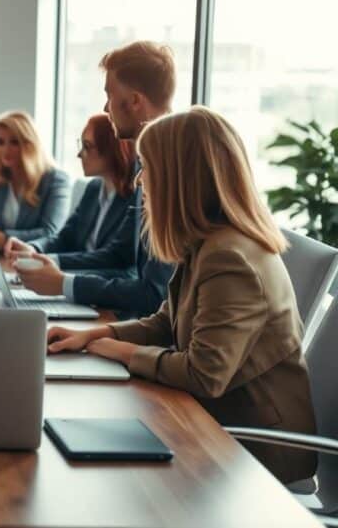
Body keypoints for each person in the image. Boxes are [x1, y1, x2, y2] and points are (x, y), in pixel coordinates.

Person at [46, 106, 317, 484]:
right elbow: (165, 321)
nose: (140, 180)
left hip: (254, 448)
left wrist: (112, 350)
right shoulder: (208, 243)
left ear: (180, 179)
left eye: (149, 168)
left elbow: (204, 375)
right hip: (216, 422)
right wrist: (95, 335)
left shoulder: (230, 256)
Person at [8, 41, 175, 317]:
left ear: (134, 101)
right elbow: (121, 254)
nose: (106, 108)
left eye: (109, 94)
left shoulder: (170, 168)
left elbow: (154, 294)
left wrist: (64, 283)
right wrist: (48, 266)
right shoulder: (145, 163)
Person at [3, 113, 135, 273]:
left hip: (98, 287)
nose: (80, 154)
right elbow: (65, 237)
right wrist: (33, 248)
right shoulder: (94, 188)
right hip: (76, 277)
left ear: (110, 150)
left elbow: (112, 257)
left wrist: (48, 260)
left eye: (87, 146)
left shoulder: (134, 197)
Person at [0, 111, 70, 250]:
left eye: (14, 142)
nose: (6, 149)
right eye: (0, 142)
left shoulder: (56, 180)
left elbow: (51, 232)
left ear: (30, 144)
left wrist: (6, 239)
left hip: (33, 261)